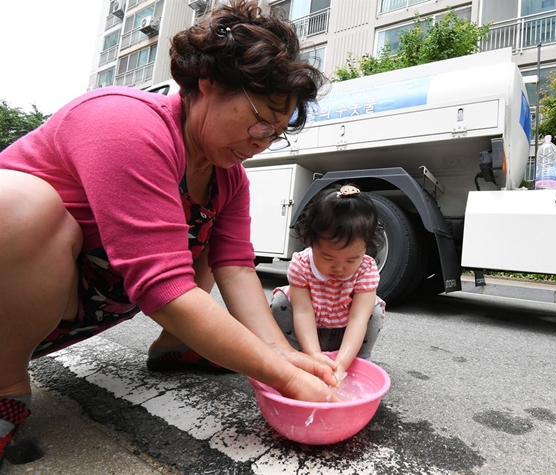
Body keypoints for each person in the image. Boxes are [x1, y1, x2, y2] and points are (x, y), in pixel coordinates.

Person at [0, 0, 340, 465]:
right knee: (19, 205)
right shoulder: (124, 122)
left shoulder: (228, 177)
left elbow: (237, 268)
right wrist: (285, 379)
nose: (262, 142)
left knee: (198, 227)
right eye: (262, 119)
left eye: (276, 133)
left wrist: (282, 355)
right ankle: (5, 383)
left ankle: (176, 345)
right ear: (210, 83)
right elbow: (162, 285)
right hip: (17, 299)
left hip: (72, 305)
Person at [270, 184, 386, 383]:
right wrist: (314, 355)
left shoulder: (366, 268)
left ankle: (360, 361)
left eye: (351, 260)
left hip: (344, 332)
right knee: (280, 302)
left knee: (373, 312)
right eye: (328, 257)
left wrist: (341, 364)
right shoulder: (301, 264)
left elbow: (359, 319)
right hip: (307, 331)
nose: (339, 268)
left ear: (366, 246)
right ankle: (295, 355)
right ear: (310, 241)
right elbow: (303, 312)